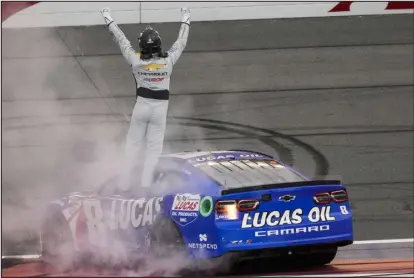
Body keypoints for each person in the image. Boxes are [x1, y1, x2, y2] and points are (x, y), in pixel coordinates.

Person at [100, 7, 191, 190]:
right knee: (154, 152)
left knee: (131, 148)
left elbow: (122, 40)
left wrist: (109, 18)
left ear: (142, 46)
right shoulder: (168, 61)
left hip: (141, 108)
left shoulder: (136, 62)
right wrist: (186, 18)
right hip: (160, 111)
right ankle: (146, 187)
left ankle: (124, 186)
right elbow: (181, 41)